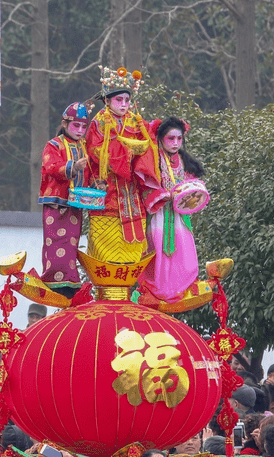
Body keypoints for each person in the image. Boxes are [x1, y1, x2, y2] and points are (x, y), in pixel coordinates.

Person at [85, 67, 157, 264]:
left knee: (132, 249)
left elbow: (149, 144)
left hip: (131, 187)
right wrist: (126, 154)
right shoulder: (99, 122)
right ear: (107, 101)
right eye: (119, 100)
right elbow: (95, 150)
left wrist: (139, 154)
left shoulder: (136, 120)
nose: (124, 104)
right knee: (106, 245)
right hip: (109, 187)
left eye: (127, 100)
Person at [136, 117, 206, 303]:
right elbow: (145, 187)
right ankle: (156, 292)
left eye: (179, 139)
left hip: (179, 216)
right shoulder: (153, 160)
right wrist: (165, 195)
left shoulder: (183, 161)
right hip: (159, 214)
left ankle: (181, 289)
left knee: (183, 251)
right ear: (160, 138)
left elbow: (193, 184)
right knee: (157, 251)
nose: (175, 143)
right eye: (170, 139)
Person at [39, 101, 93, 296]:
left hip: (76, 203)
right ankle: (53, 280)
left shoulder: (85, 147)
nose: (80, 130)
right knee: (55, 241)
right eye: (75, 125)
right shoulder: (53, 145)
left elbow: (91, 174)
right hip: (56, 202)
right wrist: (72, 167)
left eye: (83, 127)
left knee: (71, 243)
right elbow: (50, 167)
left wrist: (97, 185)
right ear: (64, 123)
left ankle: (70, 281)